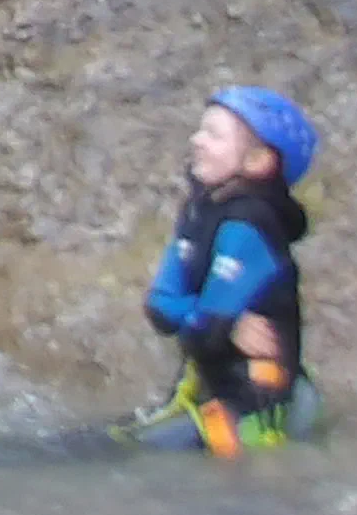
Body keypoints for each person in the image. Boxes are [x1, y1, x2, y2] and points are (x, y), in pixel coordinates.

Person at [125, 86, 319, 455]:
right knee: (98, 443)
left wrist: (212, 321)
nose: (196, 140)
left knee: (115, 454)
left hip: (257, 411)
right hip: (211, 395)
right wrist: (224, 322)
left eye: (213, 134)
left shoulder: (248, 228)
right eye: (200, 130)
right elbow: (160, 306)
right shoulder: (200, 212)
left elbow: (206, 334)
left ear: (259, 161)